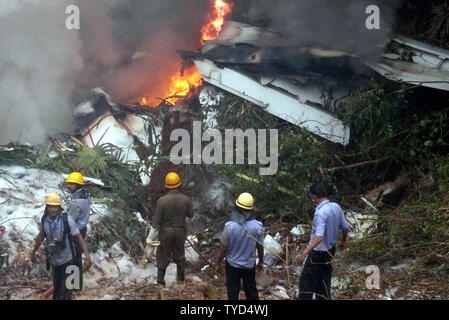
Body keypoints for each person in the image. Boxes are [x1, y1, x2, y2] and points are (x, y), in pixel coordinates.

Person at [30, 192, 91, 300]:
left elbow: (79, 238)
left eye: (55, 207)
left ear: (59, 207)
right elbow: (41, 236)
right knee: (57, 290)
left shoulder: (67, 220)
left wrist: (87, 256)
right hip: (55, 260)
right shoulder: (44, 220)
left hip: (69, 259)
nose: (53, 209)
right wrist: (33, 252)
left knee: (68, 290)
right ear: (47, 206)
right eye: (50, 206)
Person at [297, 183, 350, 300]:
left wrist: (304, 253)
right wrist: (343, 242)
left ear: (314, 196)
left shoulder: (320, 213)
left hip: (318, 254)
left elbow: (319, 237)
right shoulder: (336, 207)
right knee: (323, 283)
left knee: (306, 284)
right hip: (330, 251)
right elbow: (345, 228)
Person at [216, 192, 264, 300]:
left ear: (237, 207)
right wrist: (261, 262)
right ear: (251, 209)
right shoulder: (257, 226)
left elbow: (224, 249)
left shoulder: (230, 226)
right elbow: (260, 247)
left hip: (232, 265)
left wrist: (218, 263)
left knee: (233, 292)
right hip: (249, 265)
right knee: (251, 292)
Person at [152, 172, 193, 286]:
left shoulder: (161, 200)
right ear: (179, 184)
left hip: (165, 232)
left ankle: (160, 282)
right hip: (180, 231)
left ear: (167, 185)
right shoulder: (186, 199)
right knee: (180, 255)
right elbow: (191, 214)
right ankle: (180, 280)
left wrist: (151, 236)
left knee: (162, 256)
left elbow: (157, 220)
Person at [65, 171, 91, 290]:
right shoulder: (85, 195)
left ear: (78, 185)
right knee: (76, 257)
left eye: (72, 184)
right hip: (82, 228)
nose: (68, 186)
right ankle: (75, 285)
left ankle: (73, 286)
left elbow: (69, 220)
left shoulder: (76, 202)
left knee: (72, 258)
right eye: (68, 183)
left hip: (76, 232)